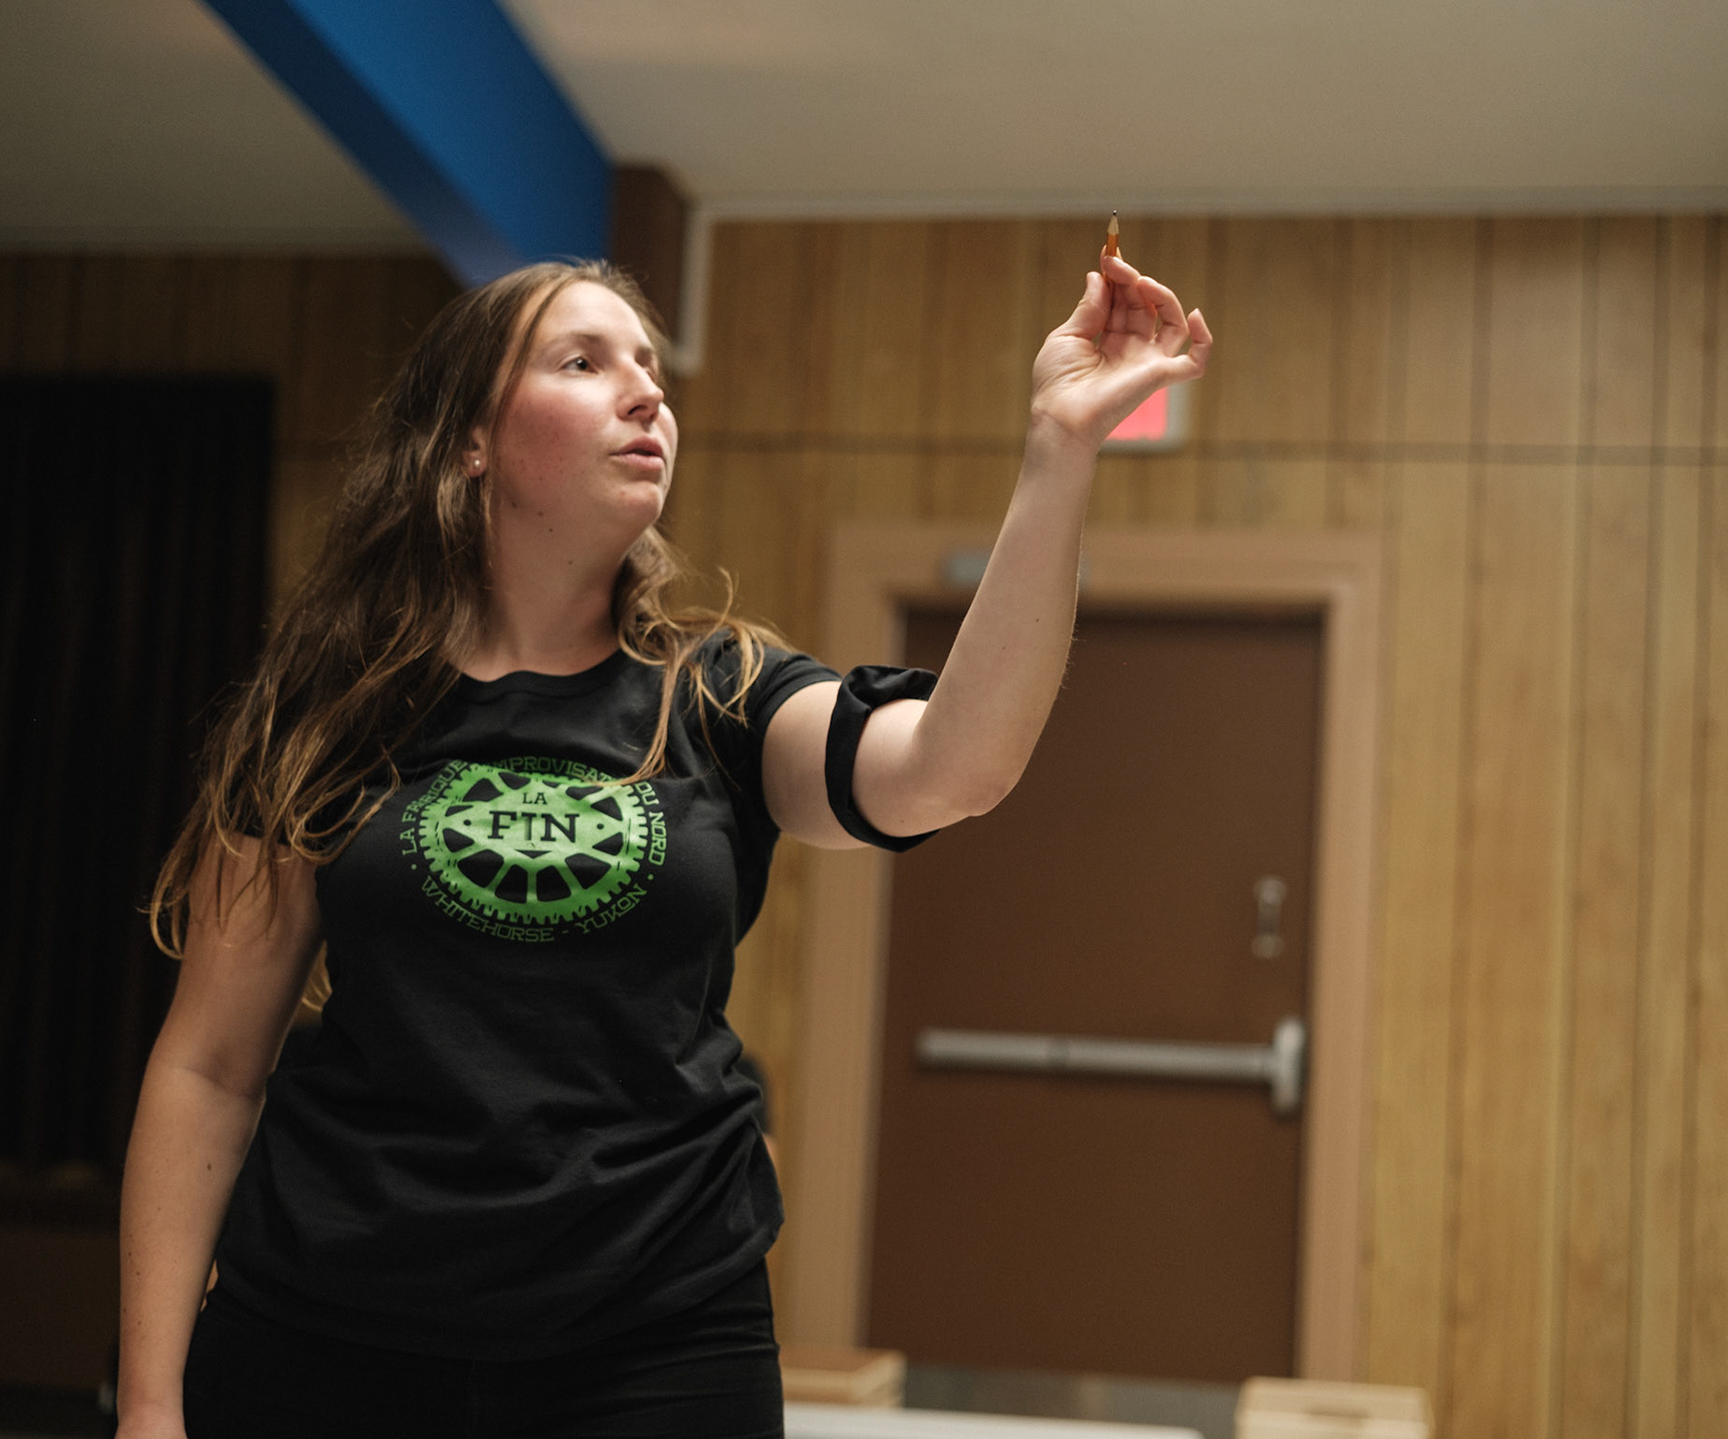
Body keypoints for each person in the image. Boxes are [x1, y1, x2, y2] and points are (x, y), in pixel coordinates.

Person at [115, 246, 1211, 1439]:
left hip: (655, 1337)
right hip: (330, 1329)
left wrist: (1058, 446)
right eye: (583, 362)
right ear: (468, 441)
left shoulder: (721, 690)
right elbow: (209, 1066)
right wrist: (151, 1403)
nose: (647, 391)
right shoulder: (332, 708)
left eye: (650, 365)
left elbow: (956, 766)